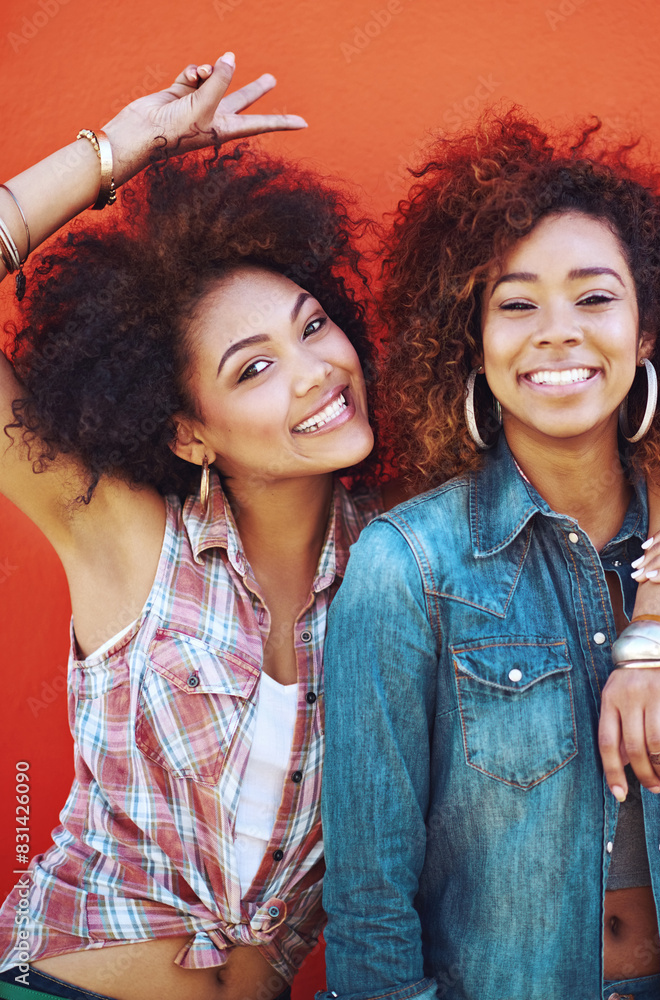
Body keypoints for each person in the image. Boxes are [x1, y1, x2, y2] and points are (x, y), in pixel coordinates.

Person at [318, 111, 660, 1000]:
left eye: (596, 297)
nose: (558, 331)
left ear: (648, 333)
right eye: (517, 303)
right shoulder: (407, 567)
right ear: (474, 344)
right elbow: (369, 900)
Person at [0, 55, 380, 1000]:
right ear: (189, 432)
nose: (314, 371)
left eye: (315, 326)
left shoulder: (404, 564)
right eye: (253, 369)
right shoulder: (125, 537)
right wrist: (117, 152)